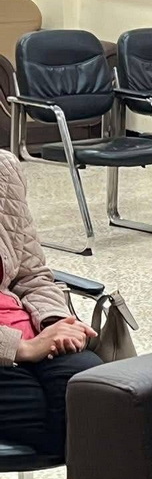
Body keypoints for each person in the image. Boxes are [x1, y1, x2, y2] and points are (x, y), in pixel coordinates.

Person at [0, 149, 101, 457]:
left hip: (28, 332)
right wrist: (22, 348)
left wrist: (56, 324)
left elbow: (32, 274)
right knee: (68, 414)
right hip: (15, 346)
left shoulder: (4, 169)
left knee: (93, 388)